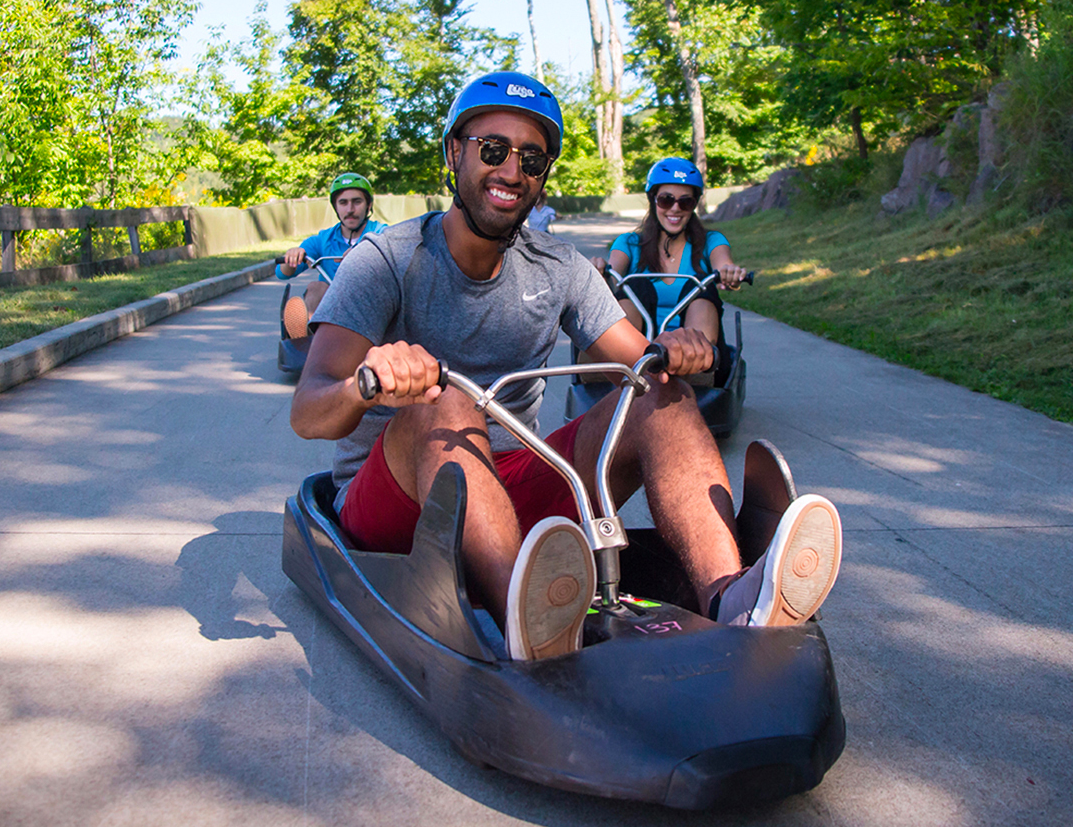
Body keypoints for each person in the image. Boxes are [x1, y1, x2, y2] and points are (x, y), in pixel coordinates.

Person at [290, 72, 841, 662]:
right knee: (446, 401)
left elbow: (637, 361)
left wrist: (676, 352)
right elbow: (309, 411)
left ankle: (732, 598)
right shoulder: (385, 260)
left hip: (508, 495)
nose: (511, 171)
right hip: (392, 508)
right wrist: (368, 383)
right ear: (455, 152)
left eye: (531, 158)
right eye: (494, 150)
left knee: (660, 394)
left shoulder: (558, 267)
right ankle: (525, 620)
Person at [591, 158, 746, 381]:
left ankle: (693, 363)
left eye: (685, 202)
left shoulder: (711, 241)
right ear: (653, 200)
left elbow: (724, 263)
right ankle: (631, 363)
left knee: (702, 286)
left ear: (694, 205)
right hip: (638, 349)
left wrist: (729, 273)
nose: (675, 208)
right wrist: (601, 272)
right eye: (666, 200)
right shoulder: (629, 243)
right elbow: (613, 270)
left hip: (691, 354)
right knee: (633, 286)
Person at [278, 172, 386, 338]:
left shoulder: (382, 233)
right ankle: (308, 336)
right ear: (336, 207)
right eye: (343, 203)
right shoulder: (323, 239)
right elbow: (282, 273)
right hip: (331, 308)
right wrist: (292, 256)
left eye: (357, 202)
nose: (350, 209)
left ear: (368, 205)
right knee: (316, 287)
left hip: (368, 302)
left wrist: (365, 253)